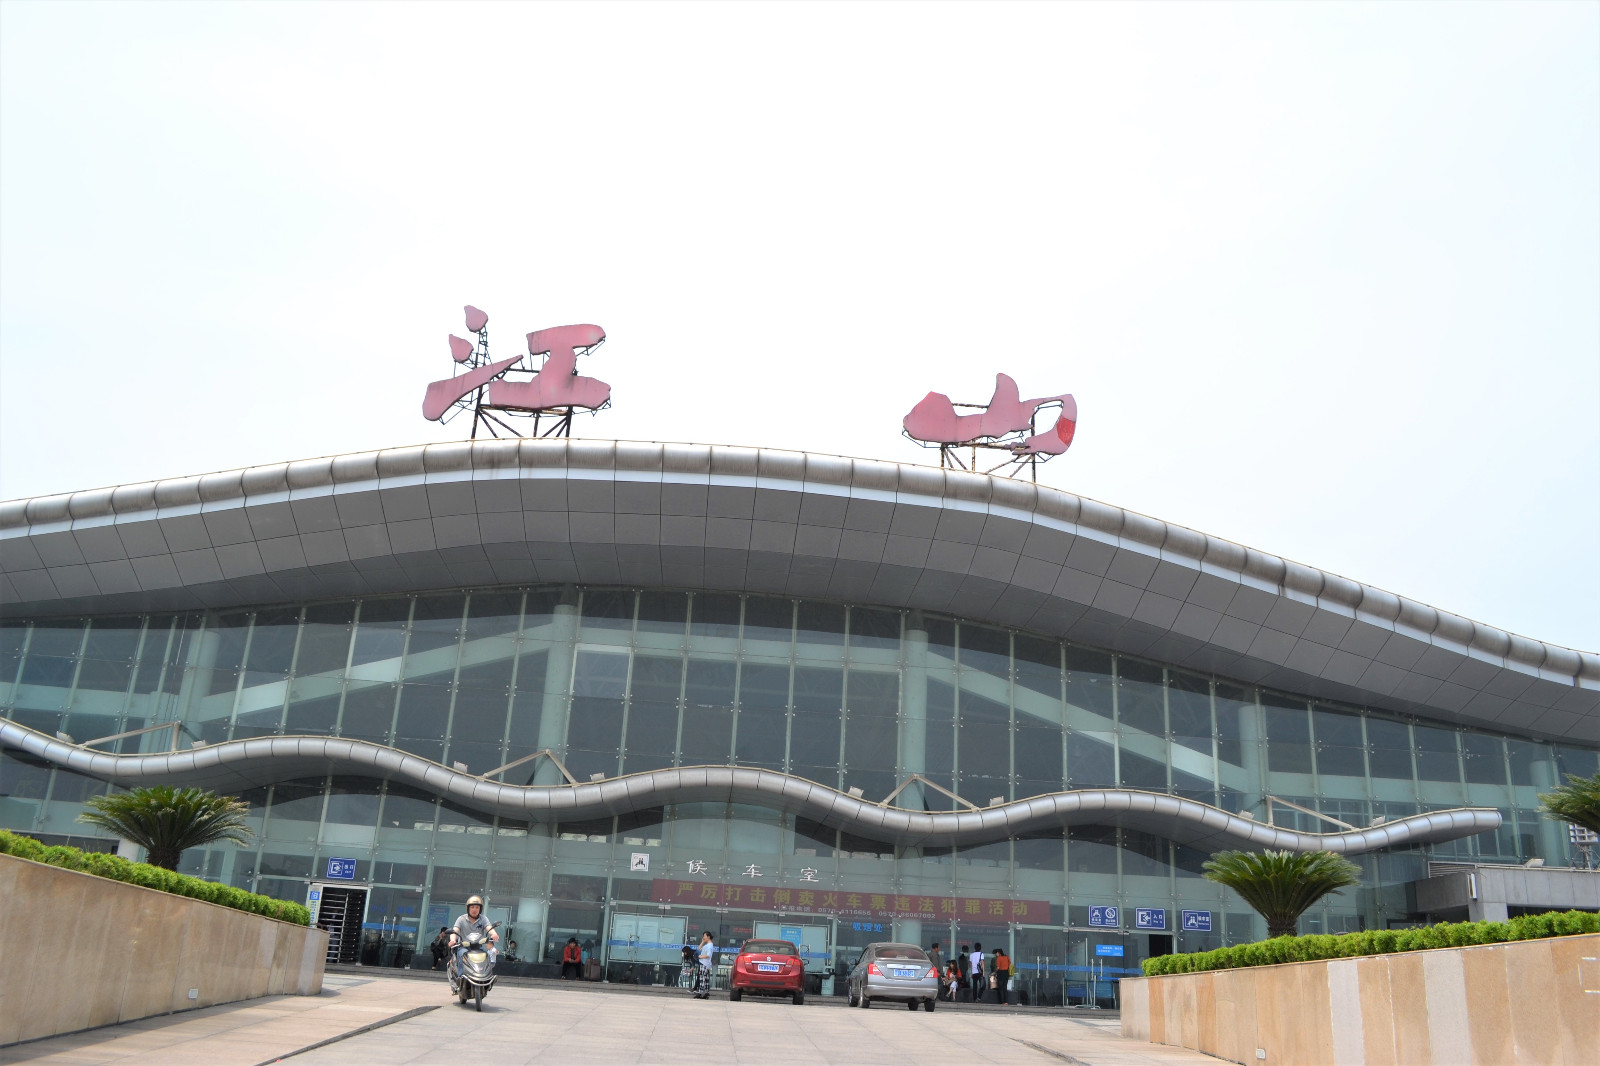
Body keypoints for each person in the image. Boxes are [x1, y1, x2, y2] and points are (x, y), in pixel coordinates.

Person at [449, 895, 497, 975]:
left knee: (486, 956)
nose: (474, 909)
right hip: (464, 947)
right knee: (462, 955)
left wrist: (494, 934)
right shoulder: (461, 919)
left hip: (478, 947)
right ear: (468, 908)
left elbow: (489, 927)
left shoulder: (483, 919)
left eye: (477, 907)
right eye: (472, 907)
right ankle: (460, 978)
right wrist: (453, 940)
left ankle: (486, 977)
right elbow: (455, 931)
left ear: (480, 909)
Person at [694, 931, 715, 999]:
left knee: (702, 978)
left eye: (704, 936)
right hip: (705, 963)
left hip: (704, 963)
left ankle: (700, 992)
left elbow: (709, 955)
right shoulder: (707, 945)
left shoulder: (709, 946)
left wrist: (700, 957)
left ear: (708, 937)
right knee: (705, 979)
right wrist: (702, 942)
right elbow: (698, 949)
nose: (703, 937)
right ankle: (706, 992)